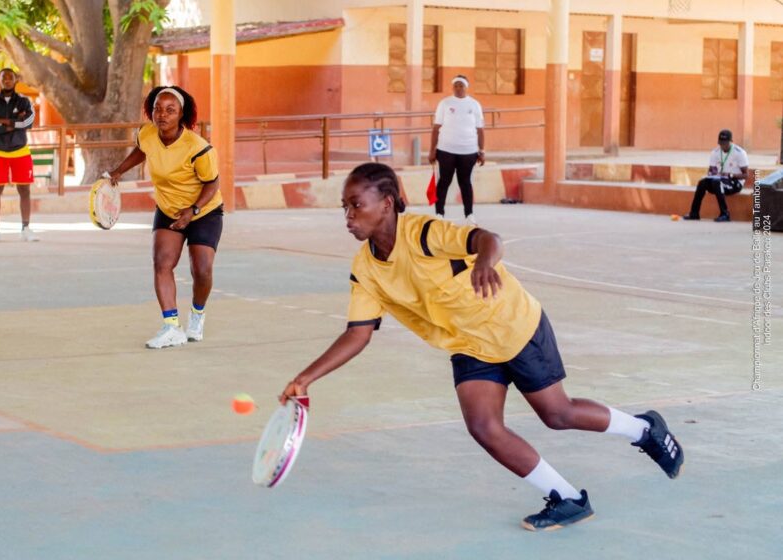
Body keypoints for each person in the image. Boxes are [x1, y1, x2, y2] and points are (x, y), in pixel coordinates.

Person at [280, 162, 684, 531]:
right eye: (344, 207)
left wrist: (485, 263)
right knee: (484, 427)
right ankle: (568, 498)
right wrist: (305, 378)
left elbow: (487, 239)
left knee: (557, 415)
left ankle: (644, 429)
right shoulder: (365, 269)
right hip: (469, 344)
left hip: (514, 326)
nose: (348, 217)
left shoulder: (424, 233)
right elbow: (358, 333)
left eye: (356, 205)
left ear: (386, 204)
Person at [108, 86, 222, 349]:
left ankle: (197, 315)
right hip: (168, 207)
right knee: (162, 263)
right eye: (158, 108)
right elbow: (142, 150)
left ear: (181, 114)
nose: (162, 114)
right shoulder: (147, 133)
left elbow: (212, 184)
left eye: (171, 110)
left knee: (201, 269)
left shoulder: (198, 148)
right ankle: (171, 327)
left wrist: (192, 211)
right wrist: (118, 171)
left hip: (204, 210)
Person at [0, 68, 39, 242]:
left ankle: (26, 228)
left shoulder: (24, 101)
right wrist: (14, 123)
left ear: (15, 80)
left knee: (25, 190)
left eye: (10, 77)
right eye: (3, 77)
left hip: (20, 151)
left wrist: (3, 121)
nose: (7, 80)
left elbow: (29, 122)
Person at [428, 75, 485, 225]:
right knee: (444, 181)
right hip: (446, 149)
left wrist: (482, 151)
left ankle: (469, 215)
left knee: (465, 182)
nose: (459, 88)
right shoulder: (445, 103)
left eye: (462, 85)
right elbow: (436, 128)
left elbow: (480, 130)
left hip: (469, 151)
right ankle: (439, 214)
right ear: (453, 87)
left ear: (467, 87)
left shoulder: (474, 105)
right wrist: (432, 150)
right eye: (456, 86)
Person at [683, 129, 748, 222]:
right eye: (721, 143)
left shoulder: (739, 153)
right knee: (702, 183)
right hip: (718, 180)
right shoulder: (715, 152)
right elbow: (711, 170)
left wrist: (730, 175)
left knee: (717, 182)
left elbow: (745, 175)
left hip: (735, 183)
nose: (723, 146)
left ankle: (725, 214)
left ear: (731, 141)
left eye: (725, 143)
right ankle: (694, 213)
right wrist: (713, 173)